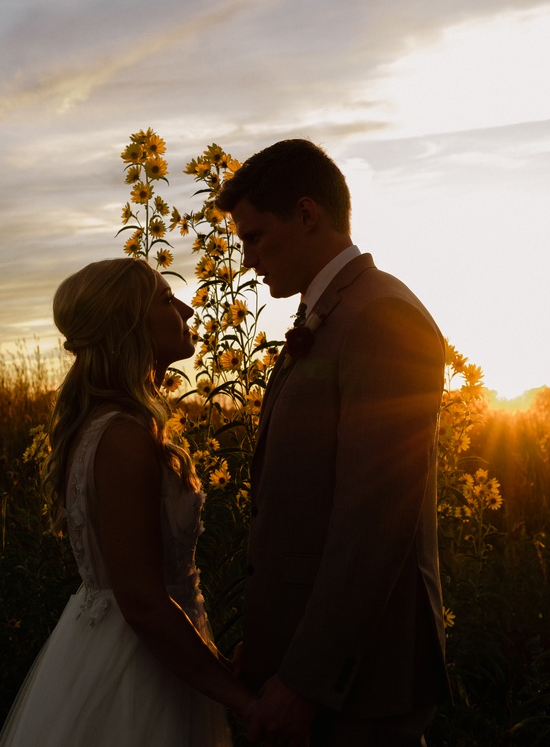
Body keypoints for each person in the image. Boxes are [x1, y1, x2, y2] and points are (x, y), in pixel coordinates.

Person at [215, 139, 451, 746]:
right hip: (316, 670)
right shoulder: (335, 312)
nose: (249, 259)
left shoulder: (381, 317)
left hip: (361, 688)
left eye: (256, 237)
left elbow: (372, 523)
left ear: (306, 214)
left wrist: (305, 681)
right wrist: (270, 641)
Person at [0, 258, 255, 746]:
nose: (186, 309)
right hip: (137, 668)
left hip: (144, 653)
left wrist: (215, 666)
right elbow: (142, 601)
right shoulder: (123, 437)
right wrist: (242, 700)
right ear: (129, 325)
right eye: (165, 299)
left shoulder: (111, 426)